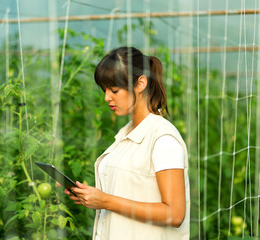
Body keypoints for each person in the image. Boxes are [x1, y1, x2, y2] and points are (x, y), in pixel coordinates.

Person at [65, 46, 190, 240]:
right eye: (104, 90)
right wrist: (90, 195)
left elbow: (174, 214)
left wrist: (106, 201)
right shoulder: (127, 133)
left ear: (140, 84)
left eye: (114, 89)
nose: (107, 97)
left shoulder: (163, 139)